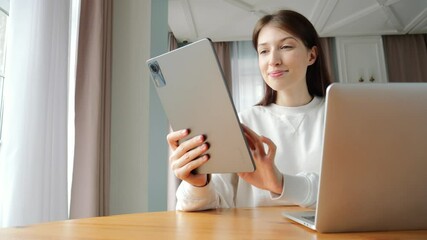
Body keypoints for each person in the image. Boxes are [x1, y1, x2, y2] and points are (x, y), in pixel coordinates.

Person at [167, 9, 332, 211]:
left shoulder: (340, 116)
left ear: (312, 55)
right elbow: (213, 204)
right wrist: (198, 183)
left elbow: (353, 194)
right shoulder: (242, 122)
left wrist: (280, 183)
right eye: (263, 51)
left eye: (286, 46)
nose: (273, 60)